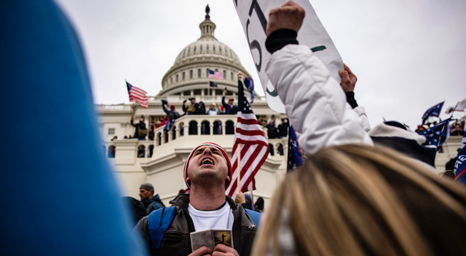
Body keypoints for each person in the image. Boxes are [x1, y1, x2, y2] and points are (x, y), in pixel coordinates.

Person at [251, 1, 466, 255]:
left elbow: (337, 135)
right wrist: (349, 100)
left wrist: (284, 44)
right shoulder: (436, 216)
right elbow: (346, 136)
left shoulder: (371, 204)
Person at [135, 142, 259, 256]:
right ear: (187, 176)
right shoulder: (152, 224)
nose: (207, 151)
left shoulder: (259, 224)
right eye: (198, 152)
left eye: (216, 152)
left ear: (228, 175)